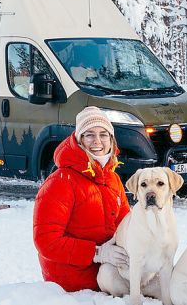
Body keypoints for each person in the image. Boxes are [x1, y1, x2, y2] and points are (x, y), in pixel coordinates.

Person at [33, 106, 131, 292]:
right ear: (79, 140)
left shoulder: (113, 178)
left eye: (104, 134)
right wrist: (97, 253)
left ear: (111, 140)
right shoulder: (60, 181)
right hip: (73, 287)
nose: (97, 141)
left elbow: (127, 224)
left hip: (107, 276)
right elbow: (47, 241)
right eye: (89, 135)